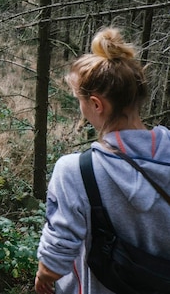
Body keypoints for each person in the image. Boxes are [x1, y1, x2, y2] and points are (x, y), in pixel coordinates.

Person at [35, 28, 170, 294]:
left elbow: (55, 259)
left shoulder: (76, 170)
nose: (80, 108)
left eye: (80, 101)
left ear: (97, 105)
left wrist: (44, 276)